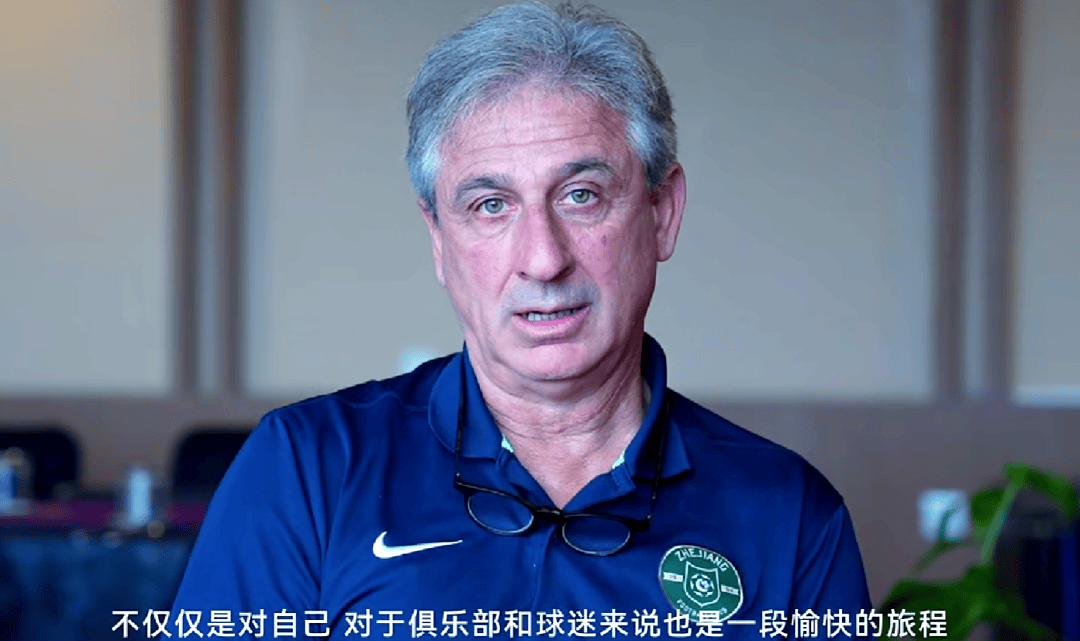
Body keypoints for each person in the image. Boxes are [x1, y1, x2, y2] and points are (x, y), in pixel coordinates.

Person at [168, 2, 871, 638]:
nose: (542, 258)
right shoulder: (308, 468)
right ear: (439, 239)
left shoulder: (790, 517)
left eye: (581, 195)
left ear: (662, 212)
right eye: (491, 206)